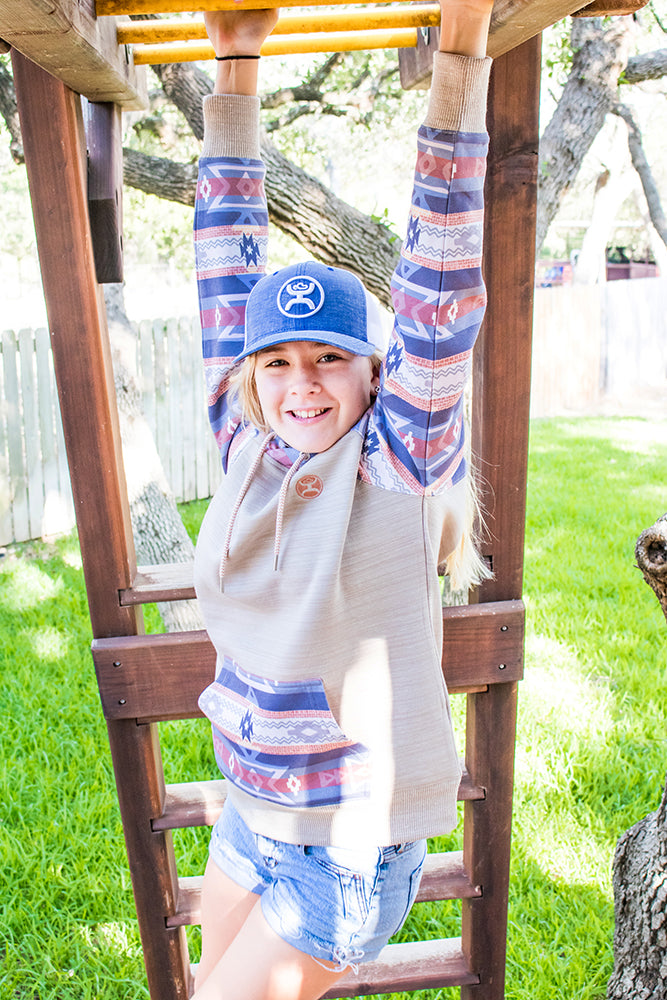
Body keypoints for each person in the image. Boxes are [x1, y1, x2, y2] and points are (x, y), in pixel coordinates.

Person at [191, 1, 493, 996]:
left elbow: (440, 279)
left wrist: (458, 50)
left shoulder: (392, 462)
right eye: (277, 361)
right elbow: (222, 257)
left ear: (374, 374)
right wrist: (235, 67)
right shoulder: (244, 439)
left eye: (330, 359)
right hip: (250, 815)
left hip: (345, 851)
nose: (302, 383)